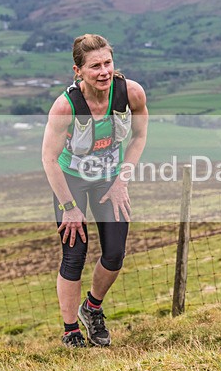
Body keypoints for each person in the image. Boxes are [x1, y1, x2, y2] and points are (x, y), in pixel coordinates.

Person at [42, 34, 148, 348]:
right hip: (70, 181)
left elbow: (139, 137)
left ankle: (92, 308)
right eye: (95, 66)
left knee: (114, 254)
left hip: (110, 180)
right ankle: (70, 331)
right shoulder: (66, 106)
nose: (103, 72)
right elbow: (49, 158)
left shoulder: (131, 93)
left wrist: (121, 181)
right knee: (74, 254)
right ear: (78, 71)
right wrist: (69, 207)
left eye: (107, 63)